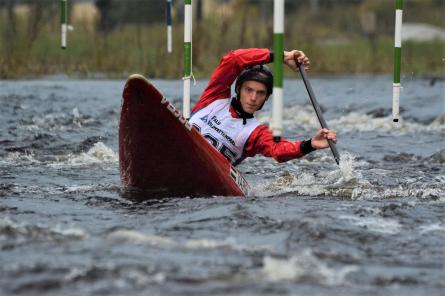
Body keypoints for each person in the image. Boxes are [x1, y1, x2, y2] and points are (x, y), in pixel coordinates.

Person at [189, 48, 337, 166]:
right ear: (239, 89)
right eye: (249, 90)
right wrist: (281, 56)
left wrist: (310, 144)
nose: (253, 98)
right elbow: (233, 59)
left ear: (266, 98)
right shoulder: (214, 98)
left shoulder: (256, 133)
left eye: (260, 93)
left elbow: (278, 150)